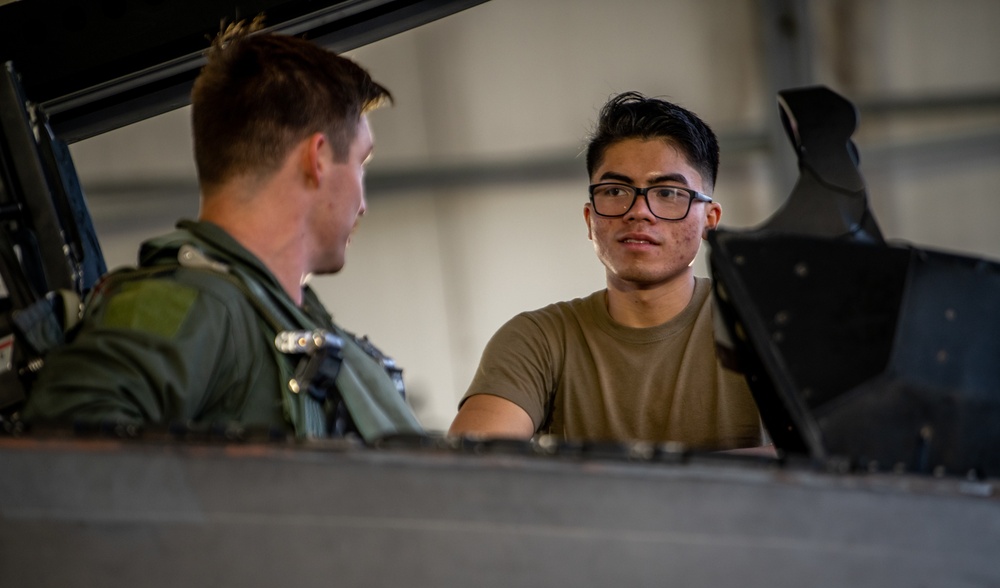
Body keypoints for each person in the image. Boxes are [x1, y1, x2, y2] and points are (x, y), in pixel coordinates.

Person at [24, 18, 423, 442]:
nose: (362, 203)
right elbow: (59, 456)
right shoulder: (191, 304)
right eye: (360, 165)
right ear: (318, 159)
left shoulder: (281, 322)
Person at [449, 92, 764, 450]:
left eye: (668, 192)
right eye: (615, 190)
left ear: (710, 220)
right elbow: (471, 468)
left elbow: (831, 457)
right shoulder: (540, 340)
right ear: (589, 218)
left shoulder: (762, 322)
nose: (639, 212)